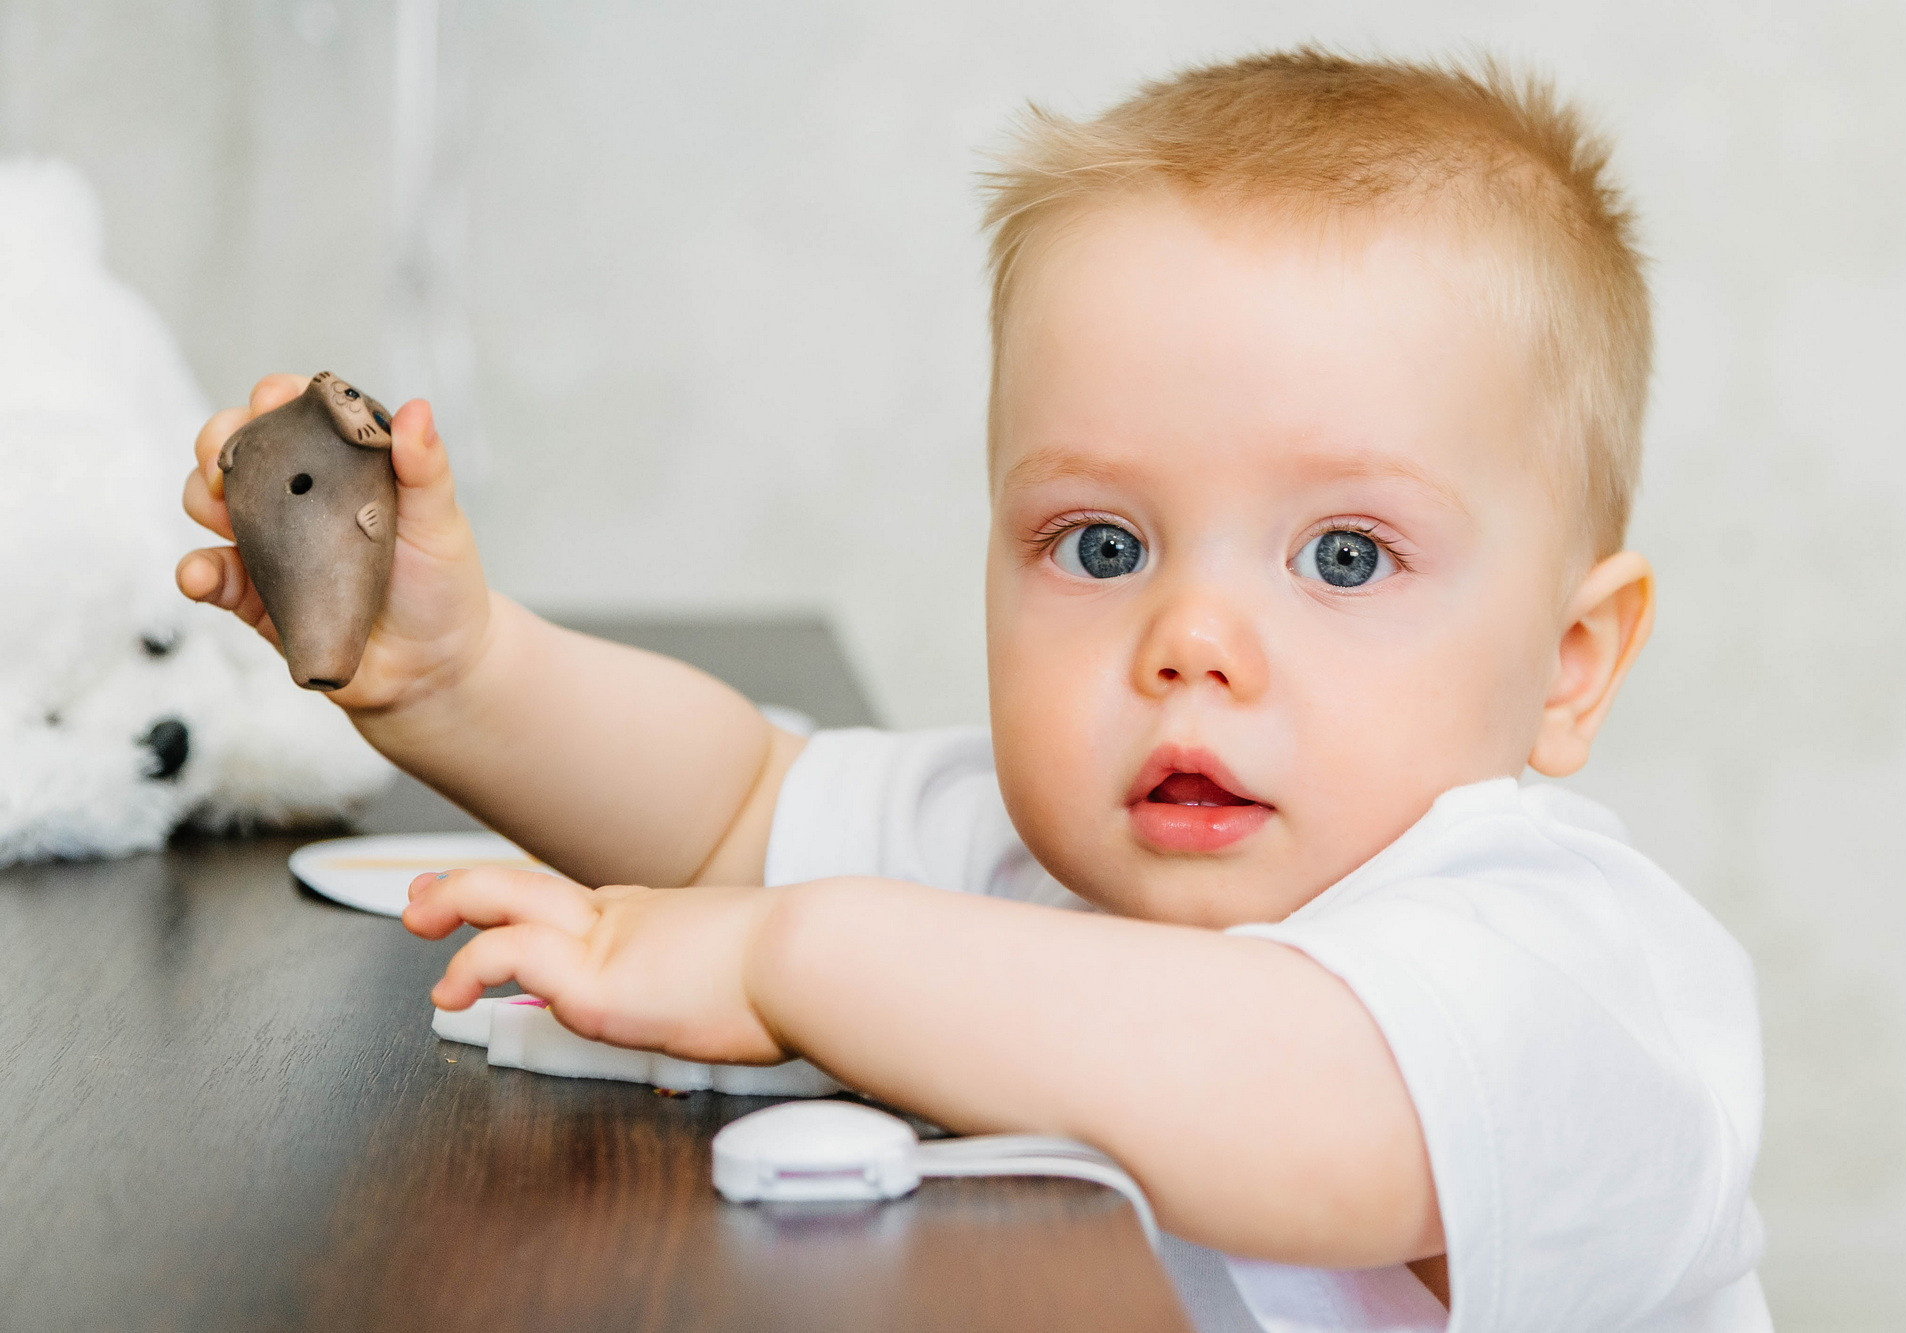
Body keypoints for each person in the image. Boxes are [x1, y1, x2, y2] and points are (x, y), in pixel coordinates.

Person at [176, 47, 1768, 1332]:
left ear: (1571, 666)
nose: (1190, 638)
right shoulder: (1053, 852)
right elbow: (736, 802)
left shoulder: (1582, 974)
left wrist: (794, 958)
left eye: (1345, 557)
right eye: (1100, 540)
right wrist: (465, 669)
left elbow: (1313, 1104)